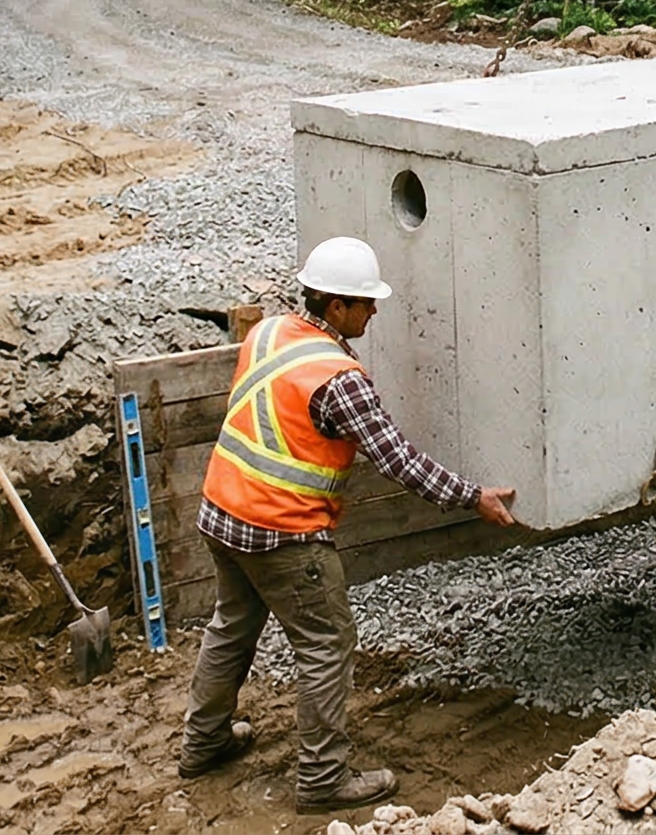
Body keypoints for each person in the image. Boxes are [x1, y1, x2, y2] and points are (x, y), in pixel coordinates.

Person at [180, 235, 520, 805]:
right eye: (365, 303)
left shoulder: (268, 333)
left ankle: (203, 742)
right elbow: (400, 462)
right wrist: (473, 495)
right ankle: (321, 779)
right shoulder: (337, 379)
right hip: (283, 533)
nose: (374, 310)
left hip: (222, 514)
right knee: (326, 643)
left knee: (232, 626)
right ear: (335, 306)